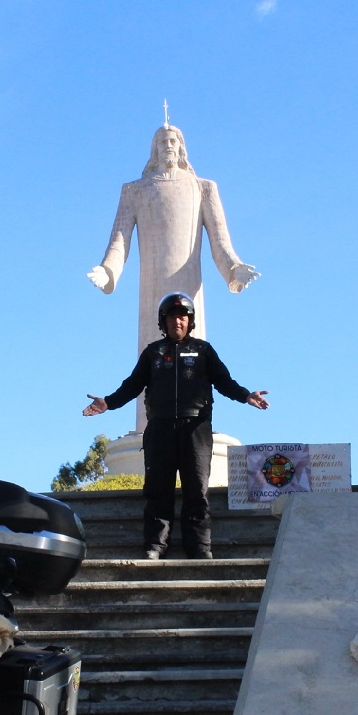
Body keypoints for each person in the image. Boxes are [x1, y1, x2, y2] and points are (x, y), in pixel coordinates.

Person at [86, 122, 260, 432]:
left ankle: (197, 424)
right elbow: (119, 239)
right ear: (153, 149)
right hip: (151, 286)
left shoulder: (202, 187)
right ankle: (147, 426)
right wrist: (106, 270)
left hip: (190, 281)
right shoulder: (134, 190)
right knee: (151, 357)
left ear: (182, 147)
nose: (168, 145)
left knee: (196, 354)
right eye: (162, 141)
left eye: (173, 140)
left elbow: (221, 241)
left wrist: (235, 268)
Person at [82, 292, 268, 560]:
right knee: (158, 491)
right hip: (160, 429)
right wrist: (108, 403)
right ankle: (155, 546)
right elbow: (132, 385)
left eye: (182, 317)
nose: (177, 322)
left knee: (197, 490)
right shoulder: (153, 353)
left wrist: (246, 395)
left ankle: (200, 547)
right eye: (172, 317)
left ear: (189, 321)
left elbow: (225, 381)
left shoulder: (204, 351)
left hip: (196, 430)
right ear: (164, 322)